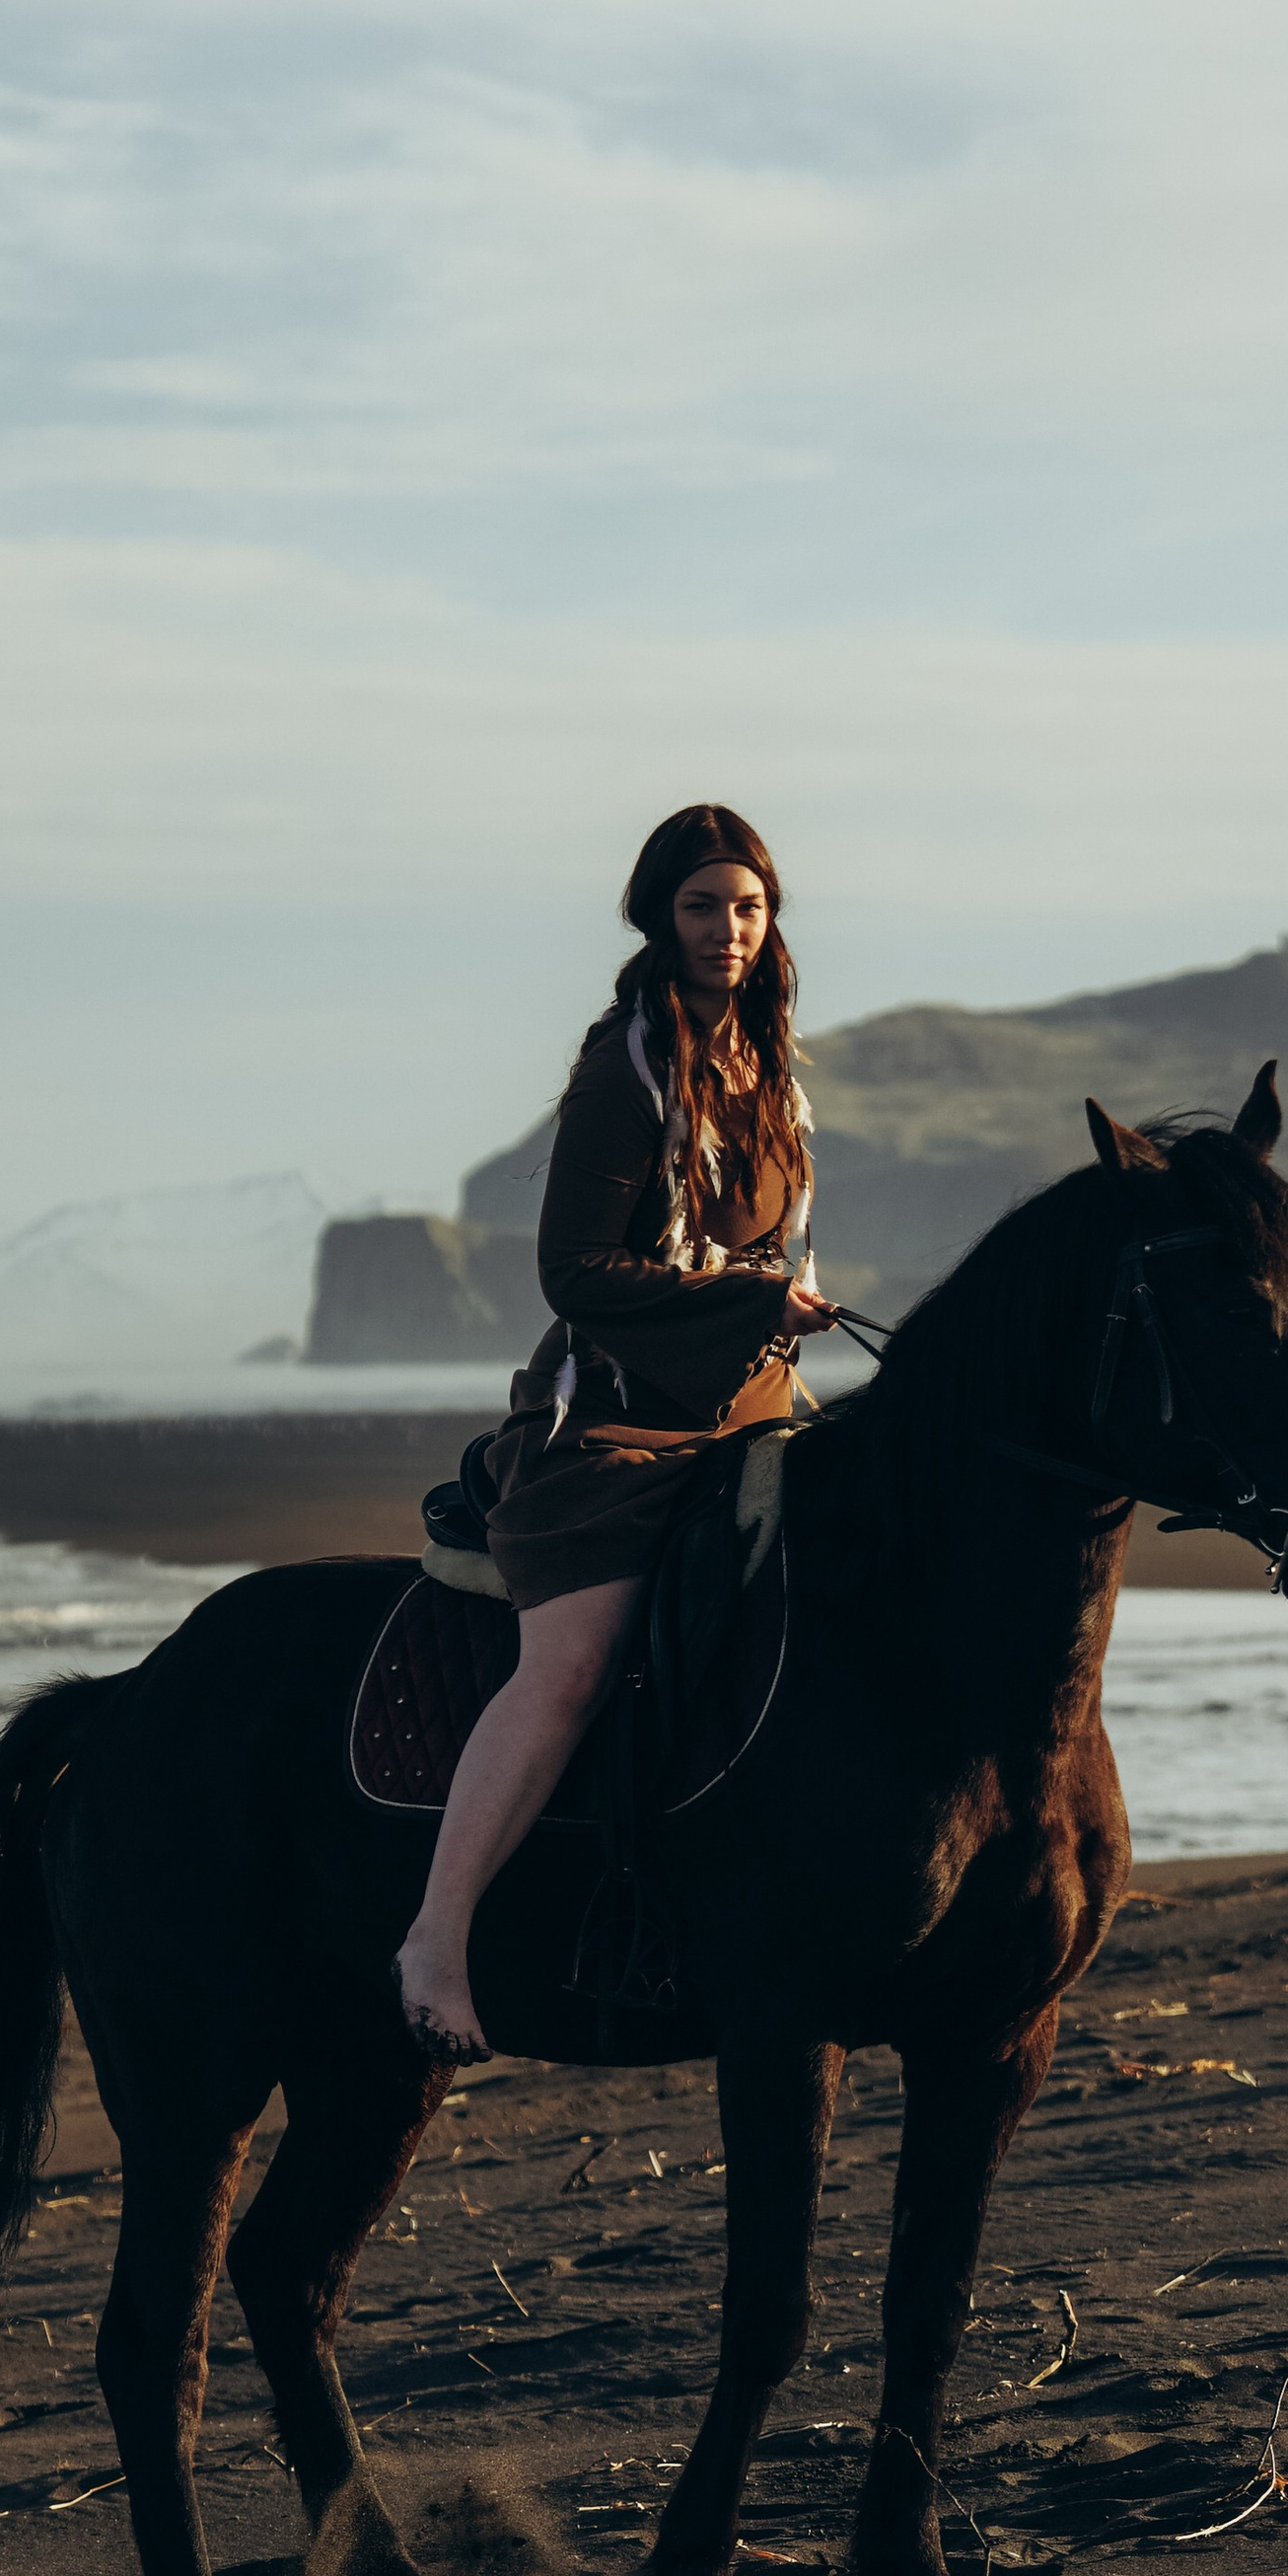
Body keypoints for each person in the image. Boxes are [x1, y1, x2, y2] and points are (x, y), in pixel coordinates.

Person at [393, 803, 837, 2062]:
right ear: (659, 915)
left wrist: (774, 1307)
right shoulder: (622, 1068)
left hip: (747, 1401)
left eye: (748, 907)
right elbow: (575, 1273)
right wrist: (751, 1296)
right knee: (572, 1665)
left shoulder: (766, 1063)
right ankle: (437, 1931)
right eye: (704, 906)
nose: (729, 931)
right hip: (617, 1418)